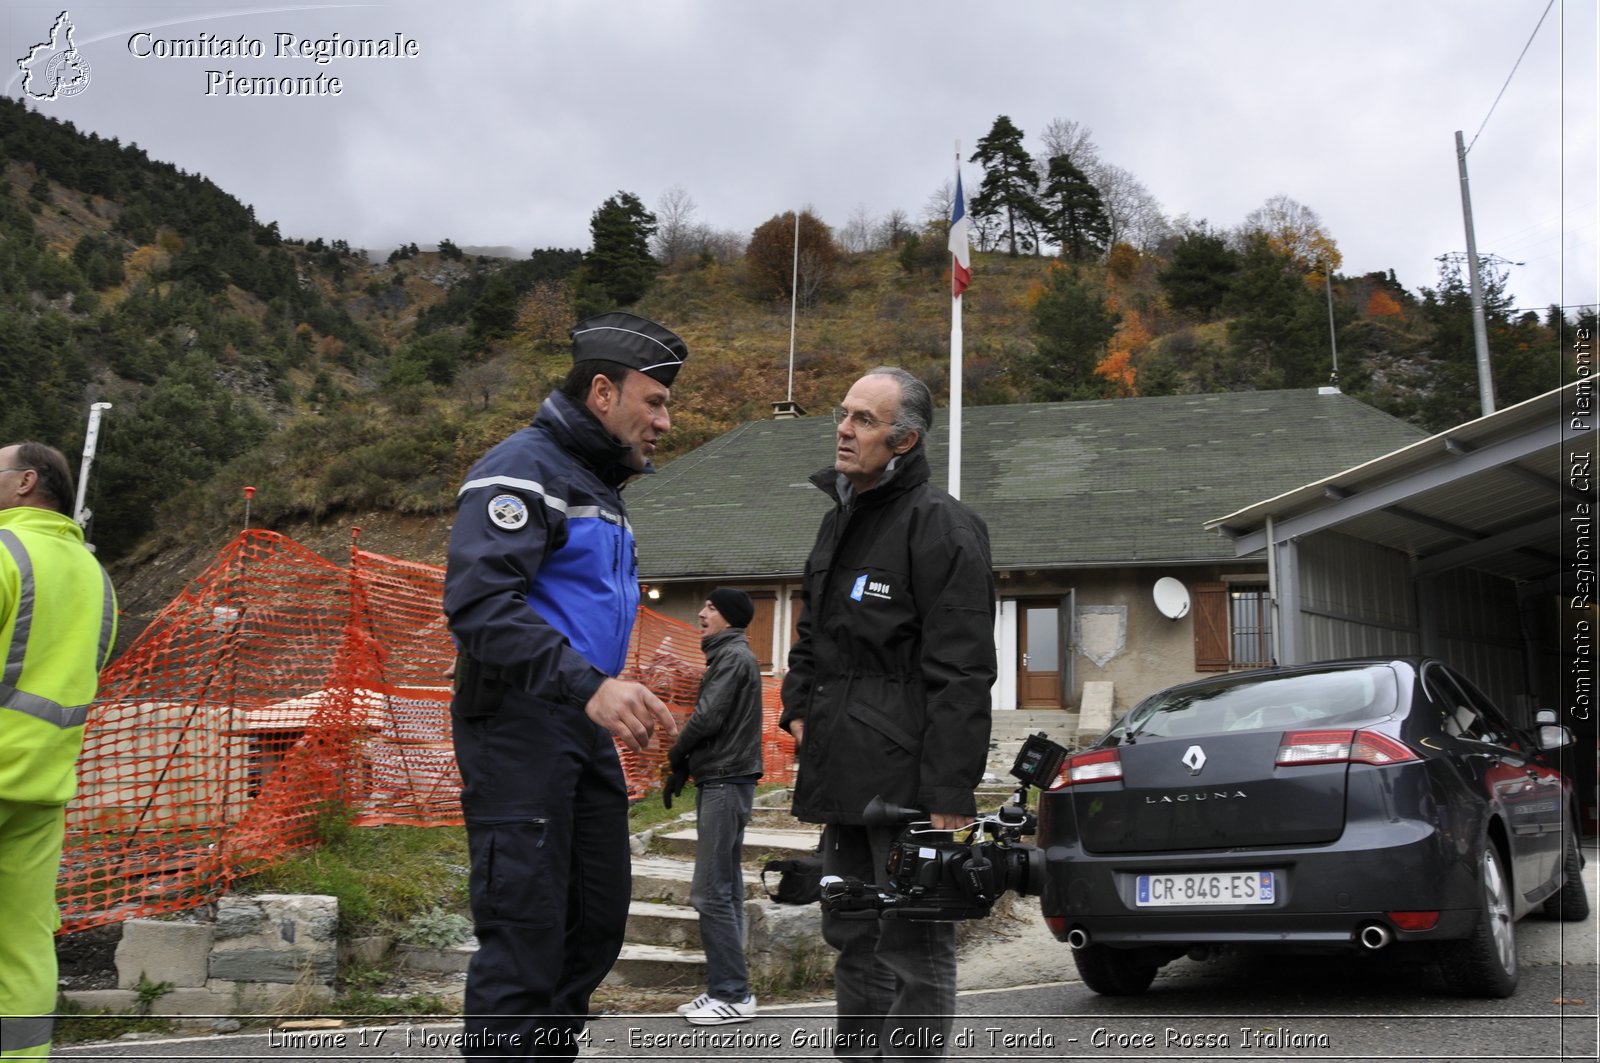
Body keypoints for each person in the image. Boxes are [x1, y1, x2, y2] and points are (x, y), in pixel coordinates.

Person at [444, 312, 687, 1061]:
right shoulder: (522, 467)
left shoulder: (600, 486)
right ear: (604, 392)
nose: (665, 421)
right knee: (525, 944)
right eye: (655, 402)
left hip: (578, 730)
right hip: (519, 726)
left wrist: (609, 694)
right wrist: (591, 685)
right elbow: (481, 605)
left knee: (590, 931)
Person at [778, 367, 997, 1062]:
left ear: (903, 440)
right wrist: (798, 706)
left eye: (863, 420)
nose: (843, 429)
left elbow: (962, 673)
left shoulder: (945, 527)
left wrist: (949, 796)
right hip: (842, 768)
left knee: (912, 939)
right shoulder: (837, 517)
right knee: (850, 931)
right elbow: (812, 633)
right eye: (843, 414)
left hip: (905, 783)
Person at [0, 442, 117, 1061]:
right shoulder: (96, 577)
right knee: (22, 945)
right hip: (43, 787)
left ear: (24, 482)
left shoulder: (4, 552)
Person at [662, 588, 764, 1026]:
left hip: (725, 781)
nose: (701, 612)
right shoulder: (729, 656)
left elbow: (707, 717)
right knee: (726, 887)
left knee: (710, 891)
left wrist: (676, 756)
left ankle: (733, 994)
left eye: (710, 607)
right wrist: (688, 767)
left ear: (729, 618)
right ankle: (726, 986)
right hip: (724, 779)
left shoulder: (732, 658)